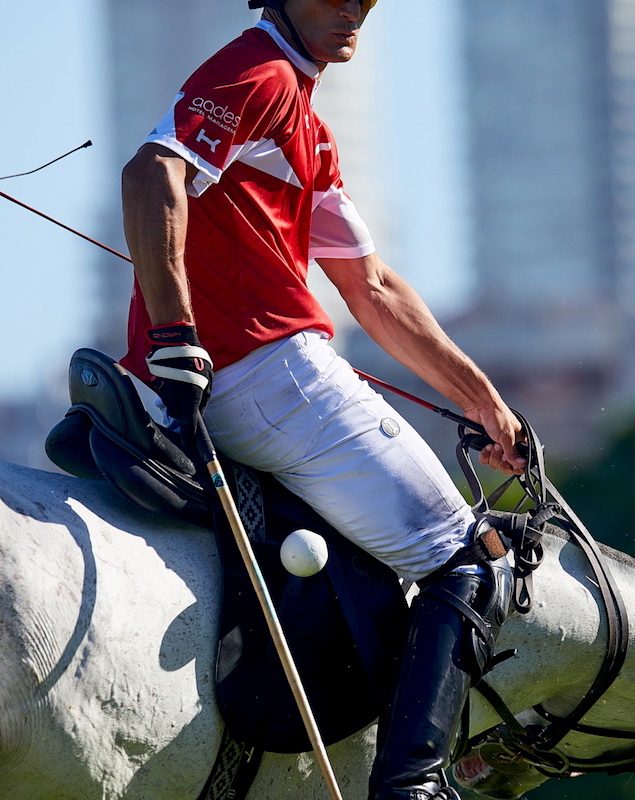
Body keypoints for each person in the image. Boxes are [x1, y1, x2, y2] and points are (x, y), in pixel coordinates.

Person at [120, 2, 525, 798]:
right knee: (472, 566)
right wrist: (176, 331)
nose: (351, 12)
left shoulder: (307, 127)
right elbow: (151, 170)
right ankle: (412, 783)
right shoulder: (261, 73)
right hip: (272, 376)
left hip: (237, 385)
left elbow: (370, 288)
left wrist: (482, 401)